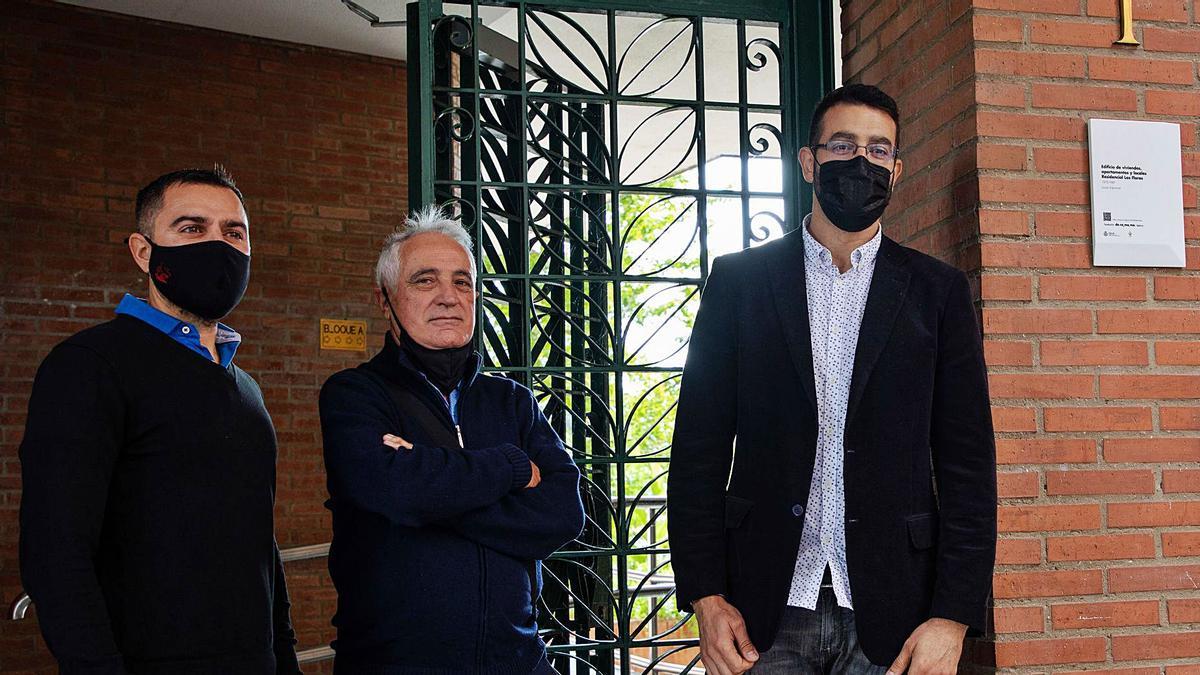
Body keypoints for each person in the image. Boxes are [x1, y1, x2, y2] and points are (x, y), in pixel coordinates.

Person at [668, 84, 997, 675]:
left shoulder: (937, 293)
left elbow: (968, 466)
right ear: (808, 160)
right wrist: (705, 597)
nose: (859, 162)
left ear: (895, 170)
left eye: (877, 151)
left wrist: (953, 617)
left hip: (896, 611)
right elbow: (698, 450)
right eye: (843, 145)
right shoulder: (740, 283)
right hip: (764, 610)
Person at [19, 167, 302, 674]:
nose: (218, 245)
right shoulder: (90, 366)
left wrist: (285, 661)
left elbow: (259, 544)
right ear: (143, 251)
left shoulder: (247, 390)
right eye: (192, 228)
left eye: (233, 232)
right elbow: (56, 550)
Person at [319, 206, 585, 674]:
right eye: (425, 280)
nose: (448, 296)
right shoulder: (354, 395)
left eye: (462, 282)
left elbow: (563, 513)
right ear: (386, 301)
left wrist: (427, 490)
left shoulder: (513, 402)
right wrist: (512, 468)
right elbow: (395, 490)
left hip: (518, 661)